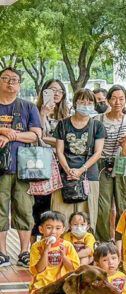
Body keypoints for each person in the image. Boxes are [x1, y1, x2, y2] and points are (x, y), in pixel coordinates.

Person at [0, 67, 43, 267]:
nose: (10, 82)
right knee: (0, 210)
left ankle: (24, 252)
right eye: (5, 78)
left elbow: (35, 134)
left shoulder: (28, 107)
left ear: (19, 84)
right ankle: (2, 252)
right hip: (1, 169)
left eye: (14, 79)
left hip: (24, 167)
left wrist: (13, 135)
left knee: (25, 209)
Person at [52, 89, 106, 224]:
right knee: (61, 215)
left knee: (87, 216)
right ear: (75, 103)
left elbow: (98, 153)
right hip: (65, 176)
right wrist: (68, 170)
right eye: (82, 101)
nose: (85, 104)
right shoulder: (63, 124)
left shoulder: (97, 126)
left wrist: (80, 170)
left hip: (89, 176)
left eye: (89, 102)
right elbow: (59, 151)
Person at [95, 85, 126, 242]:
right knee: (103, 206)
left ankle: (122, 241)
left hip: (123, 164)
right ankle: (103, 242)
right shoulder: (98, 120)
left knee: (123, 203)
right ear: (108, 100)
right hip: (102, 164)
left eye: (121, 98)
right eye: (114, 98)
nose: (118, 102)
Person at [32, 79, 69, 240]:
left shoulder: (68, 113)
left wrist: (50, 140)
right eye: (51, 90)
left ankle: (55, 240)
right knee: (39, 204)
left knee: (57, 204)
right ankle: (34, 244)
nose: (56, 94)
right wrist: (42, 113)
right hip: (41, 164)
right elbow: (36, 136)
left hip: (62, 163)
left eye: (59, 91)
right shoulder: (35, 110)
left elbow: (68, 141)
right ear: (44, 91)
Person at [28, 211, 79, 291]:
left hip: (61, 286)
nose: (53, 232)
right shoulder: (36, 247)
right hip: (42, 286)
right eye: (49, 228)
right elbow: (38, 270)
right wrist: (45, 252)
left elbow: (73, 269)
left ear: (63, 230)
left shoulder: (67, 246)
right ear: (41, 229)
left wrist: (64, 257)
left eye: (58, 228)